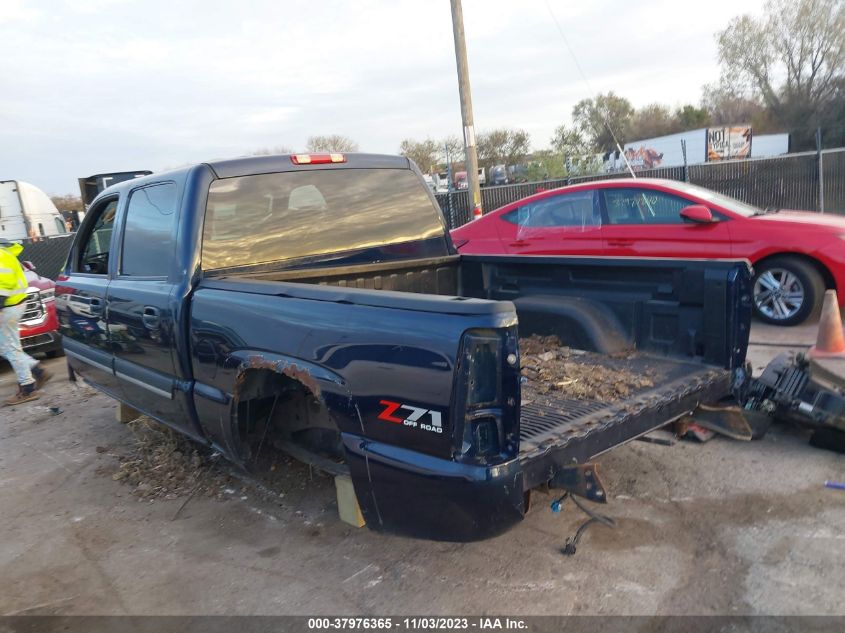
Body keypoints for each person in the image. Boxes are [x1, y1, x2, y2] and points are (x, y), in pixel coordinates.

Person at [0, 240, 52, 405]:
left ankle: (28, 387)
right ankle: (36, 371)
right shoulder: (6, 254)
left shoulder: (1, 256)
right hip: (14, 305)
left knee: (9, 348)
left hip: (8, 307)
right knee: (10, 348)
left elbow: (3, 284)